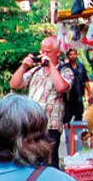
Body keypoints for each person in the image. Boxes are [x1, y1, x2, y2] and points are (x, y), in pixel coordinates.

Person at [8, 36, 74, 167]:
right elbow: (14, 84)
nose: (44, 55)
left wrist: (50, 66)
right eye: (42, 51)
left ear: (57, 53)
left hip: (51, 126)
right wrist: (24, 66)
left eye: (48, 52)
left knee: (49, 162)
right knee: (30, 160)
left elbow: (62, 87)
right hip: (31, 124)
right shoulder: (36, 71)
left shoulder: (65, 70)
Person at [64, 47, 90, 125]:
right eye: (70, 54)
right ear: (68, 56)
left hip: (79, 96)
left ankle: (77, 135)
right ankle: (67, 133)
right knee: (67, 117)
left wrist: (90, 93)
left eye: (74, 54)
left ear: (77, 55)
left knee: (79, 116)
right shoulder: (64, 67)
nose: (72, 56)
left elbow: (85, 81)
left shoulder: (81, 67)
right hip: (68, 98)